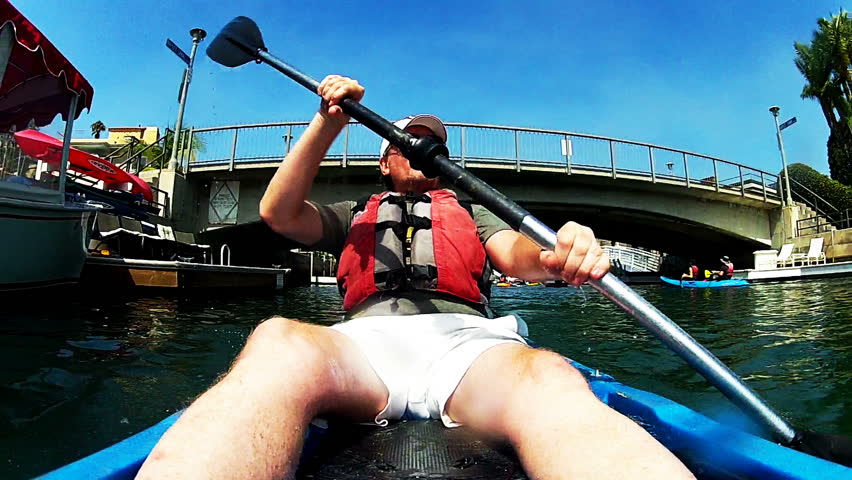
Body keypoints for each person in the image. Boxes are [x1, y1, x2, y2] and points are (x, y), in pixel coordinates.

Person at [137, 76, 695, 479]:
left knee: (547, 375)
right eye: (413, 144)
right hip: (363, 350)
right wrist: (326, 122)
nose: (427, 152)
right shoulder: (353, 214)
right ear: (387, 161)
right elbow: (279, 213)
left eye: (437, 147)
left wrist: (553, 255)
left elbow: (513, 252)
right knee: (277, 340)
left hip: (468, 348)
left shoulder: (468, 209)